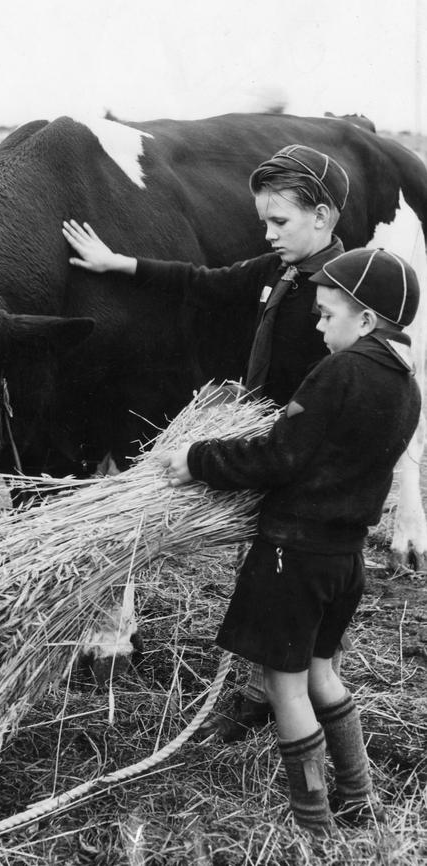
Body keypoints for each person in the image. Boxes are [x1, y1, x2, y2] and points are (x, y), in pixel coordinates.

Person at [62, 144, 351, 741]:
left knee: (299, 573)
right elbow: (206, 282)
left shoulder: (345, 296)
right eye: (263, 222)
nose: (268, 234)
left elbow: (356, 385)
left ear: (322, 217)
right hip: (275, 441)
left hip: (308, 455)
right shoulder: (280, 271)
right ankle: (267, 685)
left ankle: (287, 706)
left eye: (280, 222)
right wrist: (120, 264)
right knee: (273, 568)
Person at [158, 247, 421, 833]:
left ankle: (314, 823)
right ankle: (359, 798)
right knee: (322, 671)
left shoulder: (341, 372)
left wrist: (196, 459)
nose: (320, 326)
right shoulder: (408, 386)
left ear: (368, 320)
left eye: (328, 316)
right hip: (343, 560)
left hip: (291, 557)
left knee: (287, 687)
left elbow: (279, 454)